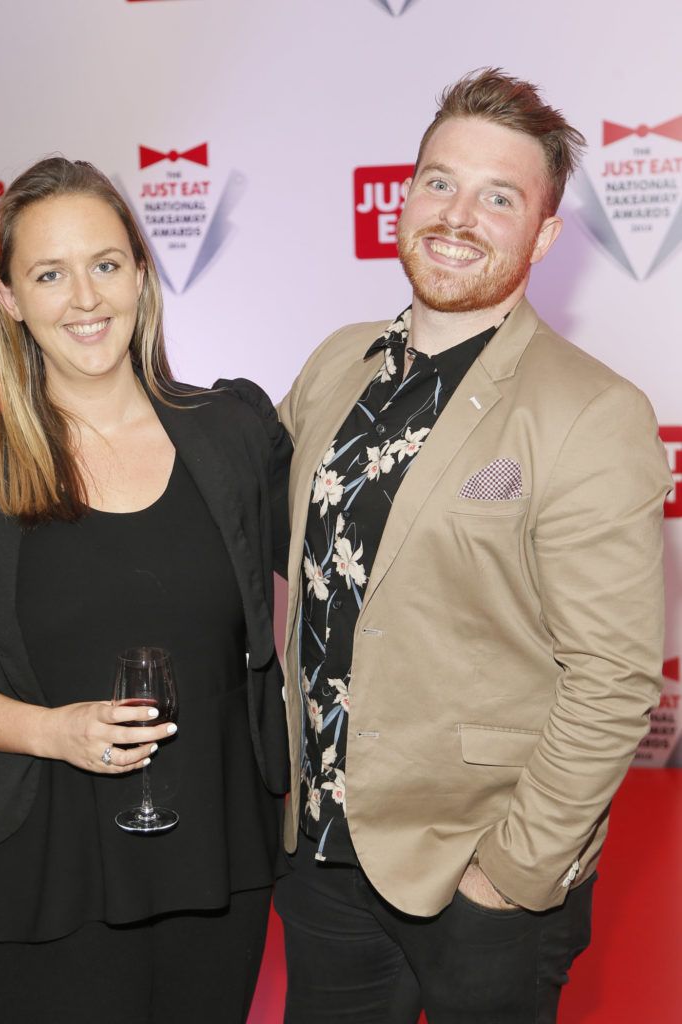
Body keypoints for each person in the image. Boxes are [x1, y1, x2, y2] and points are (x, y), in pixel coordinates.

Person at [273, 68, 671, 1023]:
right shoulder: (338, 360)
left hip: (478, 874)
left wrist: (509, 873)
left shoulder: (593, 413)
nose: (458, 215)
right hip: (320, 859)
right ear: (403, 197)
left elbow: (614, 677)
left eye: (500, 196)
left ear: (542, 234)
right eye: (440, 182)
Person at [0, 156, 290, 1024]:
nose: (84, 298)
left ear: (142, 276)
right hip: (48, 854)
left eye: (105, 265)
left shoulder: (235, 433)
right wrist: (52, 730)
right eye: (49, 273)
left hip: (218, 852)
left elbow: (348, 577)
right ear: (8, 298)